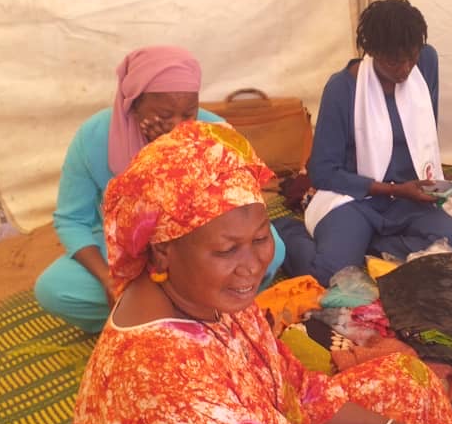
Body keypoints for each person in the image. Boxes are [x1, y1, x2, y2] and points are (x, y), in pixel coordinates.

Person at [72, 121, 452, 424]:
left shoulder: (212, 294)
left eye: (261, 238)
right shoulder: (168, 389)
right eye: (227, 250)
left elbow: (293, 386)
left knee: (409, 381)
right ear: (163, 252)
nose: (253, 266)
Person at [34, 45, 286, 333]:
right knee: (53, 289)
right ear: (133, 104)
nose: (178, 126)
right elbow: (72, 220)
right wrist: (108, 278)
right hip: (127, 247)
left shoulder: (216, 132)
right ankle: (158, 314)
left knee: (273, 251)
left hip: (202, 247)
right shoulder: (94, 137)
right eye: (164, 115)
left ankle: (169, 312)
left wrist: (182, 155)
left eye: (188, 114)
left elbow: (243, 210)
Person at [274, 0, 452, 286]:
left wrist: (433, 176)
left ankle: (368, 245)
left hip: (407, 199)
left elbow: (424, 131)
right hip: (354, 199)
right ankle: (284, 232)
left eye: (411, 57)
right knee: (328, 275)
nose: (405, 69)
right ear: (372, 52)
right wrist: (393, 189)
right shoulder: (342, 88)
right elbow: (323, 172)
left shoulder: (425, 63)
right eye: (393, 61)